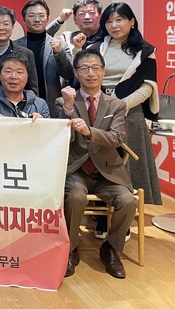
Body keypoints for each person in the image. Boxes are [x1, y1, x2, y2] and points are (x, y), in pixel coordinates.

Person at [58, 50, 135, 279]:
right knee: (75, 197)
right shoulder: (64, 101)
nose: (90, 73)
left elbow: (117, 138)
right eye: (84, 68)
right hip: (76, 170)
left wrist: (89, 131)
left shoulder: (117, 105)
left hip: (107, 172)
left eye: (95, 68)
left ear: (103, 71)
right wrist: (68, 110)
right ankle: (71, 249)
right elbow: (61, 138)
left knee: (127, 200)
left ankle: (110, 249)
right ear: (76, 73)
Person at [88, 2, 161, 205]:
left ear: (131, 21)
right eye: (109, 21)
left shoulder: (145, 51)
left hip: (130, 112)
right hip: (97, 109)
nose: (114, 25)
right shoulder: (95, 47)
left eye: (119, 20)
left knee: (129, 164)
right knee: (100, 161)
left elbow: (148, 87)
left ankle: (126, 211)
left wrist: (120, 106)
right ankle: (101, 210)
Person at [17, 0, 73, 117]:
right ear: (23, 20)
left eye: (41, 15)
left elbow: (68, 74)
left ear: (47, 18)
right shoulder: (15, 46)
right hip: (21, 104)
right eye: (31, 16)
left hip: (51, 105)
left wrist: (60, 53)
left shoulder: (60, 45)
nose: (37, 19)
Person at [0, 53, 50, 119]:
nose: (13, 77)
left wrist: (41, 123)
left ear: (27, 76)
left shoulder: (40, 105)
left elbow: (48, 130)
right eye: (8, 71)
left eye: (19, 72)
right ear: (0, 75)